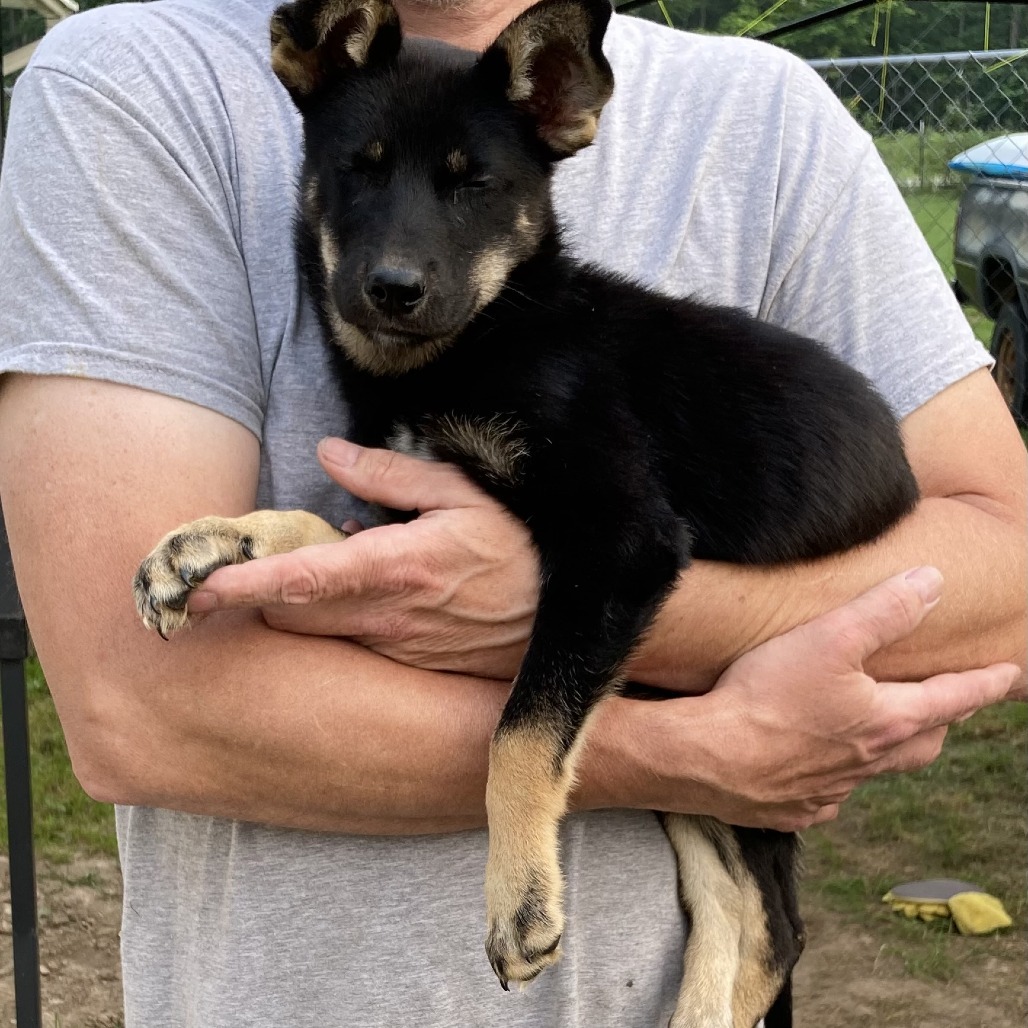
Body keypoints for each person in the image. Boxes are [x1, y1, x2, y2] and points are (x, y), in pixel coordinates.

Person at [0, 0, 1023, 1024]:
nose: (399, 260)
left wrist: (552, 636)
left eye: (466, 188)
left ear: (559, 104)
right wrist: (698, 749)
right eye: (364, 173)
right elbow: (136, 712)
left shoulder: (762, 121)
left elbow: (995, 569)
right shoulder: (133, 85)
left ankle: (747, 944)